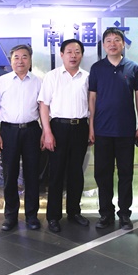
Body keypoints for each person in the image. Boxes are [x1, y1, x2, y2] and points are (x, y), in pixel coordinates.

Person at [88, 27, 138, 230]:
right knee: (102, 174)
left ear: (123, 43)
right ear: (104, 45)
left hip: (126, 131)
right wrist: (91, 126)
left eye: (117, 40)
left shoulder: (133, 68)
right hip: (102, 130)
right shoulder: (97, 68)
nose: (113, 44)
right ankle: (105, 213)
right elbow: (92, 98)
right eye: (109, 40)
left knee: (126, 174)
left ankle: (125, 214)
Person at [38, 39, 90, 233]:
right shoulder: (52, 77)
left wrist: (91, 129)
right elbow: (44, 105)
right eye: (69, 51)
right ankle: (53, 216)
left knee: (76, 172)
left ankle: (74, 212)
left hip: (80, 127)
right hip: (58, 127)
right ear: (61, 54)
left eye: (77, 52)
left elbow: (92, 105)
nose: (73, 55)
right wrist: (47, 132)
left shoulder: (87, 77)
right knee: (56, 173)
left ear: (81, 55)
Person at [0, 44, 43, 231]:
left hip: (32, 130)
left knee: (32, 175)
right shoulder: (2, 81)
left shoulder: (38, 81)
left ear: (30, 60)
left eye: (24, 57)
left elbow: (43, 109)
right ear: (11, 60)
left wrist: (45, 132)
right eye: (16, 57)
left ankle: (31, 216)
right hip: (8, 131)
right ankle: (10, 216)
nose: (20, 61)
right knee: (9, 174)